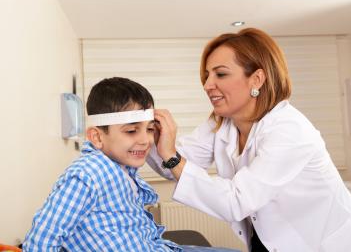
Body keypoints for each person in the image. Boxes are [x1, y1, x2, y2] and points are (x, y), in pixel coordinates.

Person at [148, 28, 351, 252]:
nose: (208, 85)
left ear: (257, 79)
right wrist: (145, 136)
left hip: (321, 244)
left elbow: (235, 201)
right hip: (268, 241)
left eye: (220, 74)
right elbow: (174, 169)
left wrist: (171, 156)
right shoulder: (221, 123)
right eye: (207, 75)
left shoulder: (289, 129)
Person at [23, 77, 239, 252]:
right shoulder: (86, 175)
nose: (145, 140)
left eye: (150, 129)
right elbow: (40, 240)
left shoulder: (121, 168)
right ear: (97, 137)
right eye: (131, 130)